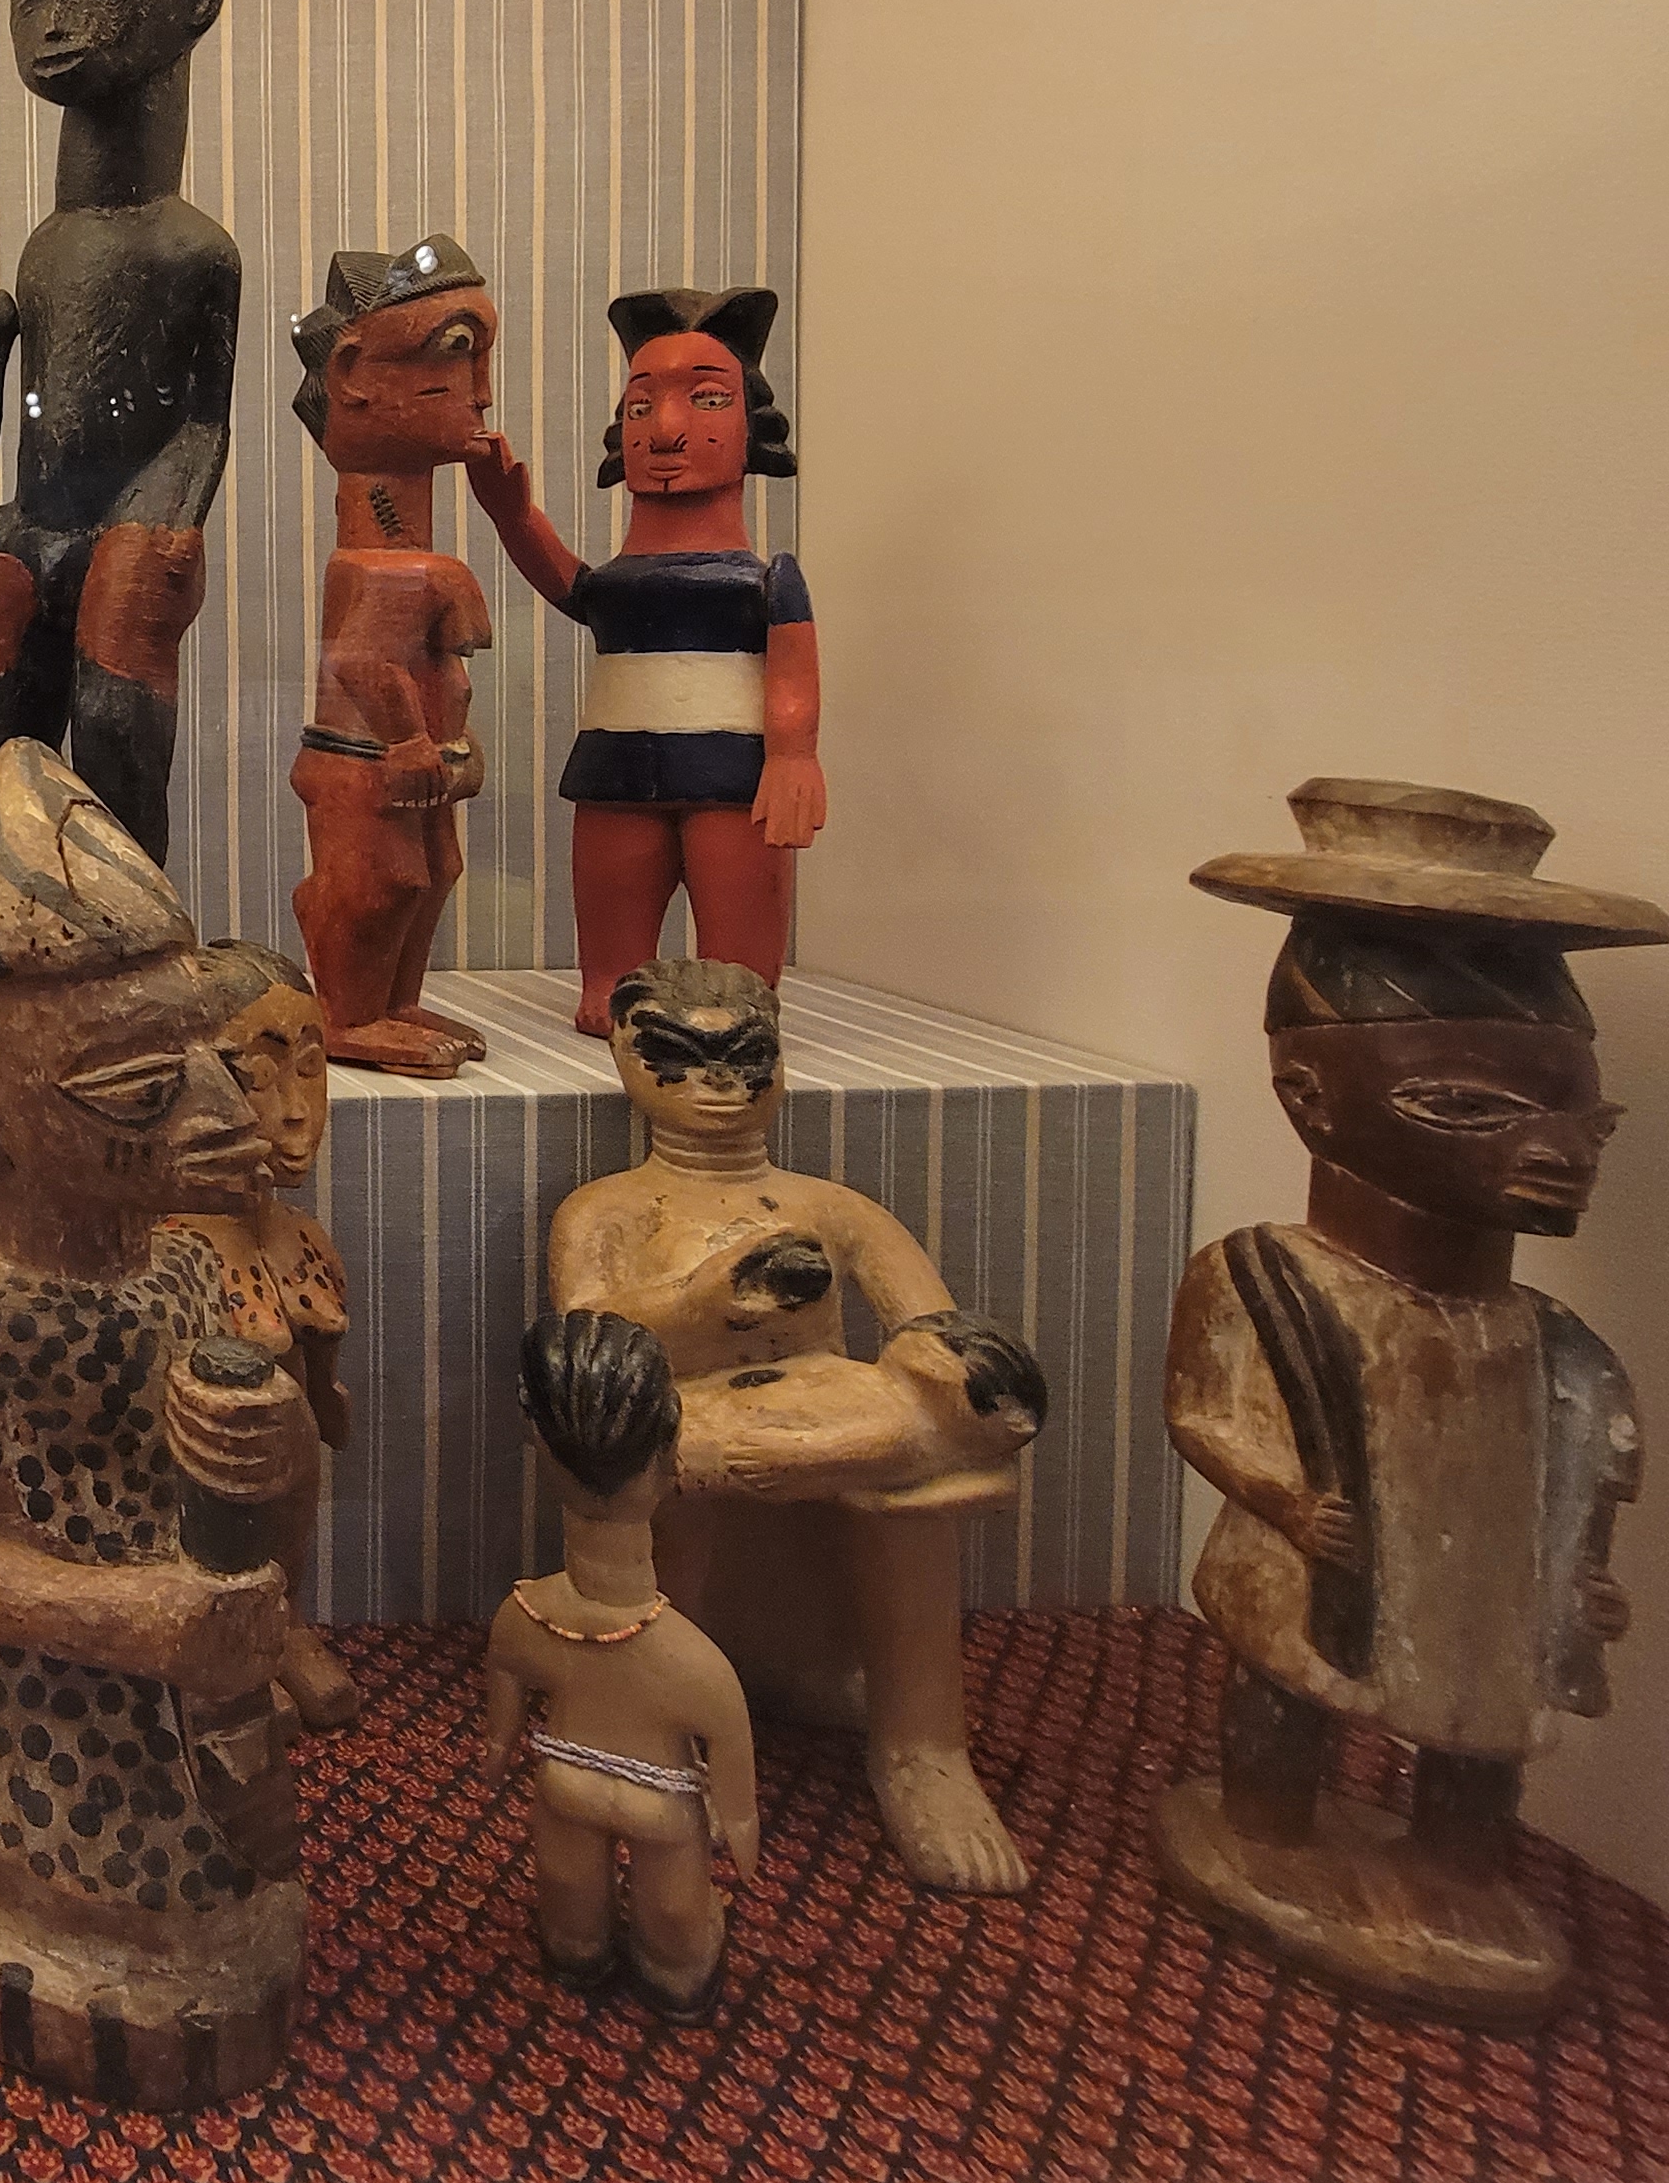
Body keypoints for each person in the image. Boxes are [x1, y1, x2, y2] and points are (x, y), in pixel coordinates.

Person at [1160, 778, 1662, 2024]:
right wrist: (1285, 1498)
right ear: (1308, 1099)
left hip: (1481, 1586)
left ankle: (1459, 1868)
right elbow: (1201, 1408)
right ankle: (1264, 1825)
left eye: (1586, 1123)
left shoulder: (1558, 1348)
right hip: (1315, 1557)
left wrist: (1580, 1578)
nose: (1557, 1153)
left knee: (1480, 1720)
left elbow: (1582, 1473)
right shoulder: (1264, 1278)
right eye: (1466, 1107)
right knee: (1283, 1686)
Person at [0, 740, 319, 2111]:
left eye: (205, 1059)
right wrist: (142, 1618)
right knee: (137, 1886)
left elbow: (234, 1492)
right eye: (137, 1086)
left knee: (220, 1873)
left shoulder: (186, 1270)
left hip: (194, 1686)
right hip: (37, 1721)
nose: (219, 1110)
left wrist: (277, 1455)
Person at [544, 957, 1044, 1894]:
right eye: (682, 1058)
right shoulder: (606, 1210)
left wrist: (964, 1382)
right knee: (642, 1450)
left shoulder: (833, 1207)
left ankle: (923, 1747)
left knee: (925, 1456)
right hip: (685, 1410)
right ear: (626, 1057)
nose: (719, 1087)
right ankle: (662, 1724)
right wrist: (707, 1302)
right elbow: (590, 1346)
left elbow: (931, 1328)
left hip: (833, 1411)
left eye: (746, 1060)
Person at [0, 0, 243, 863]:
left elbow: (204, 423)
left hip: (135, 522)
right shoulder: (46, 246)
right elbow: (27, 391)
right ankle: (10, 903)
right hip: (37, 517)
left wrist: (160, 527)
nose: (55, 18)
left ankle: (136, 920)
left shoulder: (197, 250)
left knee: (114, 721)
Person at [465, 284, 818, 1036]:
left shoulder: (766, 581)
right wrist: (512, 516)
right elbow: (566, 581)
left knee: (737, 957)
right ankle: (610, 983)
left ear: (753, 428)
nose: (666, 430)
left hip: (733, 781)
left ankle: (740, 993)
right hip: (616, 774)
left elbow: (793, 673)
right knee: (612, 914)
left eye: (708, 400)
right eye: (640, 406)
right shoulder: (616, 586)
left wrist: (793, 756)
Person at [482, 1311, 759, 2020]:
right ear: (669, 1457)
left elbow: (500, 1730)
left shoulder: (522, 1617)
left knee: (569, 1904)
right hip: (662, 1804)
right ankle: (675, 1970)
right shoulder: (696, 1664)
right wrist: (740, 1836)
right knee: (677, 1930)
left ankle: (577, 1947)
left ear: (537, 1442)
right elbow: (735, 1792)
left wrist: (498, 1756)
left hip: (563, 1785)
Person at [284, 233, 498, 1073]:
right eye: (456, 349)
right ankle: (346, 1013)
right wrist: (409, 740)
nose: (482, 391)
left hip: (416, 763)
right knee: (381, 882)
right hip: (366, 762)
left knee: (435, 870)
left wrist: (449, 743)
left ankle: (393, 1002)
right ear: (352, 376)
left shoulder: (409, 560)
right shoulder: (375, 566)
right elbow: (360, 663)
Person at [156, 940, 361, 1730]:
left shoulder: (302, 1239)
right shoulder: (165, 1258)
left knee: (289, 1481)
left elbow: (322, 1403)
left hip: (282, 1495)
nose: (297, 1109)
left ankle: (282, 1622)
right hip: (183, 1529)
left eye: (310, 1067)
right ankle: (218, 1647)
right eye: (259, 1075)